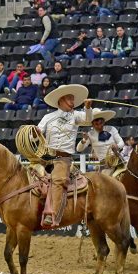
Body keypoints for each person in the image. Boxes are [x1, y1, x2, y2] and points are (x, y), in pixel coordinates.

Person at [37, 84, 93, 227]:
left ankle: (52, 214)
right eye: (70, 99)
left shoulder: (76, 116)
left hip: (63, 159)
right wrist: (32, 132)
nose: (73, 102)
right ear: (61, 100)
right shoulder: (48, 117)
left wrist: (87, 107)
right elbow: (38, 131)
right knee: (29, 175)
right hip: (45, 156)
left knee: (58, 181)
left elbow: (88, 120)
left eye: (73, 99)